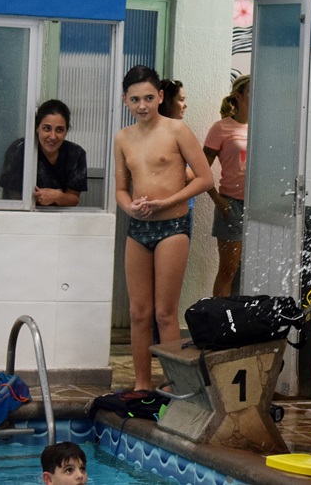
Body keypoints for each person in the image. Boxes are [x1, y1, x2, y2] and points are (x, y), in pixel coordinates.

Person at [114, 65, 214, 390]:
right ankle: (142, 385)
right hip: (138, 229)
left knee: (165, 313)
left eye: (147, 98)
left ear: (159, 96)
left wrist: (169, 201)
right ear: (125, 100)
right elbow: (120, 189)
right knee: (139, 312)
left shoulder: (177, 130)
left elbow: (205, 178)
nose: (142, 105)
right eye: (134, 100)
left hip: (173, 227)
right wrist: (129, 206)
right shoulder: (123, 138)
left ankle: (175, 386)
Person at [204, 75, 250, 297]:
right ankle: (221, 317)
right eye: (251, 91)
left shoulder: (264, 127)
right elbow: (201, 169)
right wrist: (217, 199)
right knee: (228, 270)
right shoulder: (221, 128)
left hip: (258, 207)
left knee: (250, 271)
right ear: (238, 96)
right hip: (231, 205)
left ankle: (242, 316)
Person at [0, 99, 88, 206]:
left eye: (59, 130)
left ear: (66, 131)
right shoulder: (20, 149)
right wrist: (44, 198)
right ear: (37, 128)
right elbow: (14, 198)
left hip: (60, 215)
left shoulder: (76, 154)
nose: (53, 136)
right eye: (47, 128)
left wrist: (58, 197)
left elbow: (74, 198)